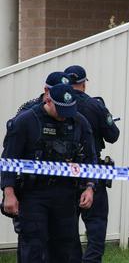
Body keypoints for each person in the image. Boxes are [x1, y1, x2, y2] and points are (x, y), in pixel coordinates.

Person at [1, 83, 97, 262]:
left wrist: (90, 187)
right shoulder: (26, 121)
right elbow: (8, 160)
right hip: (33, 194)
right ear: (48, 100)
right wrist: (9, 193)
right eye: (60, 110)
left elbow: (90, 159)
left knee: (64, 248)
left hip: (66, 194)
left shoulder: (79, 121)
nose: (64, 116)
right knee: (33, 246)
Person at [66, 65, 120, 263]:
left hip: (64, 174)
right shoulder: (95, 106)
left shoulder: (55, 105)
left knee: (67, 228)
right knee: (96, 226)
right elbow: (113, 135)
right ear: (84, 84)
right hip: (92, 172)